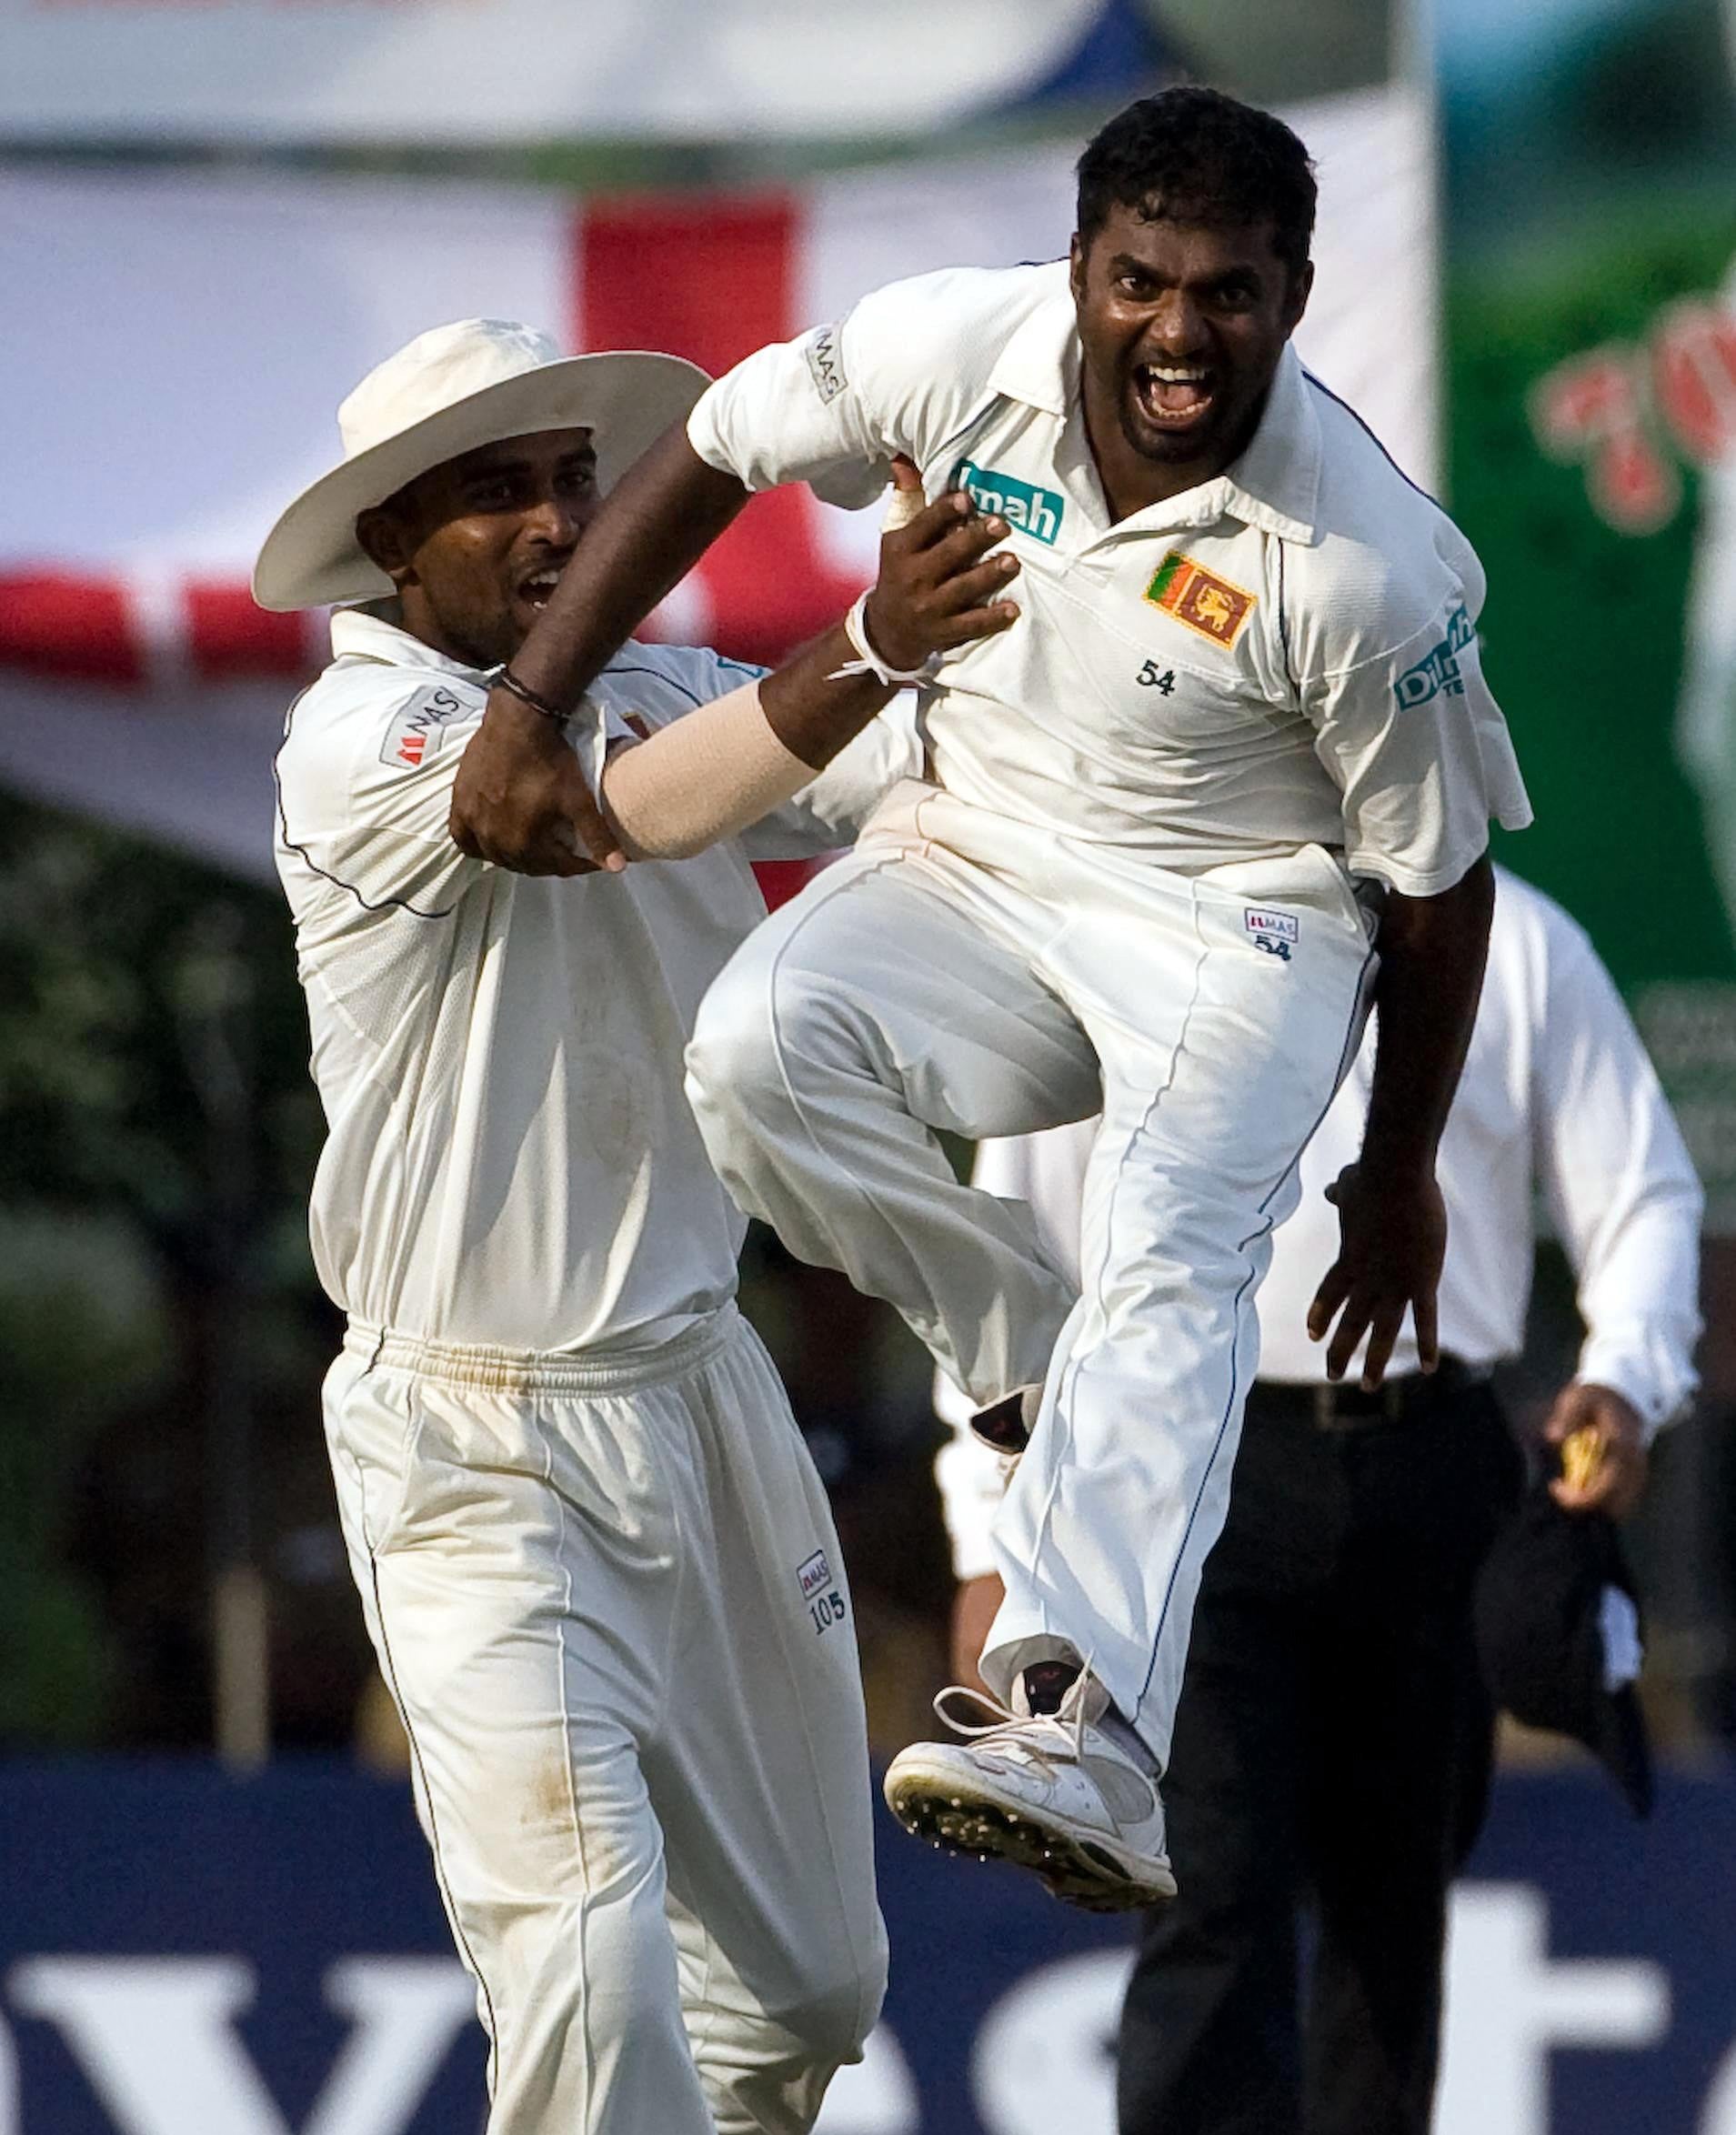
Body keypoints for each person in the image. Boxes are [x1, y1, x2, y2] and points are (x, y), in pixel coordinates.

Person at [443, 86, 1531, 1918]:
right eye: (1141, 279)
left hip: (1241, 916)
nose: (1180, 330)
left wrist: (1396, 1172)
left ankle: (1085, 1726)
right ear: (1082, 268)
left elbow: (1432, 884)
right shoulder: (951, 347)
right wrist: (526, 709)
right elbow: (712, 445)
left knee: (1180, 1237)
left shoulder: (1370, 564)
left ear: (1297, 289)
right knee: (758, 1057)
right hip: (971, 838)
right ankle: (1017, 1336)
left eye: (1230, 291)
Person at [253, 316, 1016, 2135]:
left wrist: (1015, 701)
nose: (560, 520)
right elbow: (567, 821)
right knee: (576, 1946)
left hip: (694, 1393)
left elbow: (890, 808)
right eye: (502, 492)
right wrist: (855, 648)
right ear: (396, 539)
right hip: (464, 1431)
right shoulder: (361, 735)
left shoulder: (672, 674)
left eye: (575, 481)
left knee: (801, 1993)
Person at [934, 867, 1703, 2135]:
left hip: (1438, 1450)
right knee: (1199, 1889)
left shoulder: (1522, 947)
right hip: (1184, 1458)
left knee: (1390, 1905)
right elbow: (1001, 1255)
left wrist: (1622, 1375)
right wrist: (986, 1540)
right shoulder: (1123, 931)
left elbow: (1637, 1197)